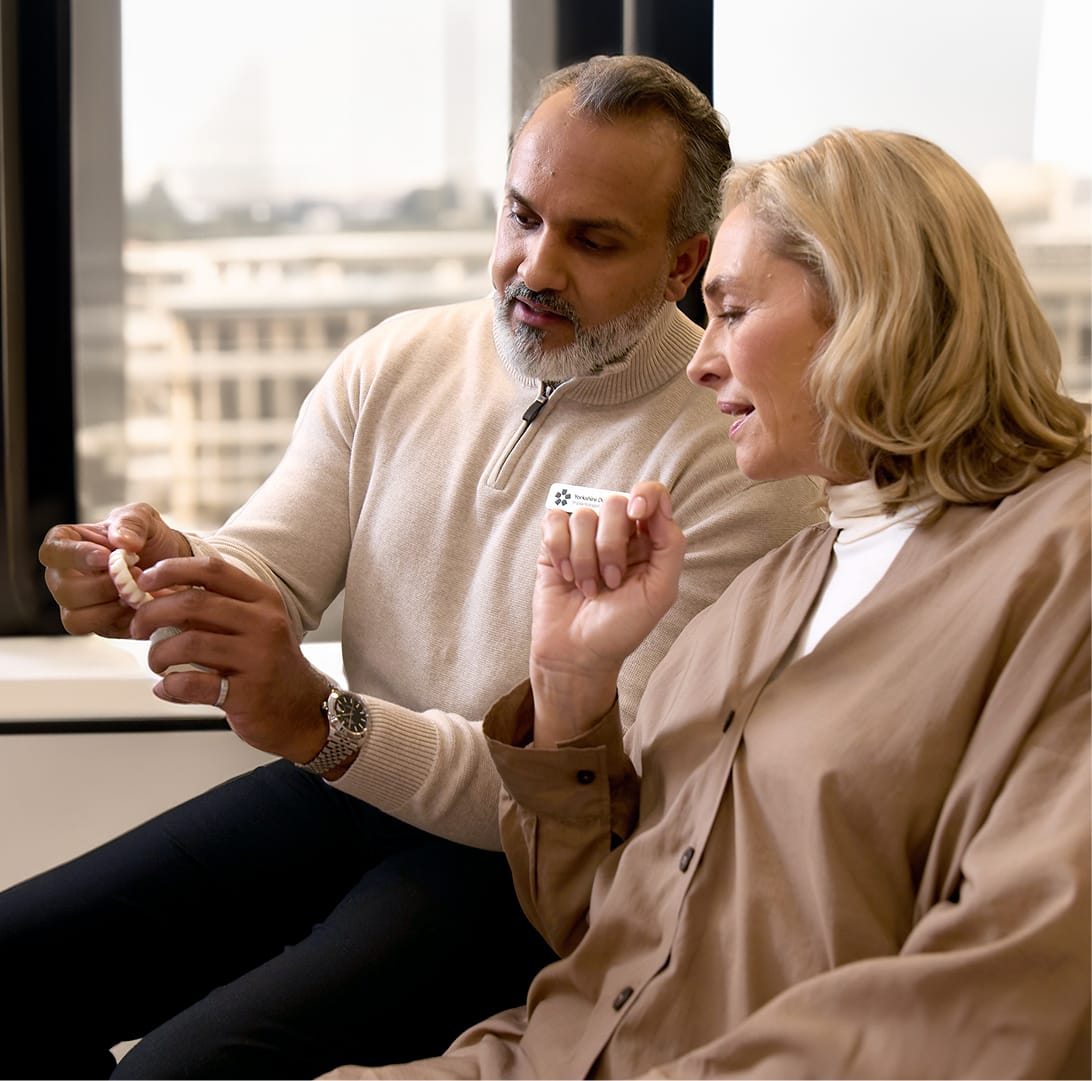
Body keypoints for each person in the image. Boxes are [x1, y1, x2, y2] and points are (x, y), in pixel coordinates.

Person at [2, 56, 822, 1080]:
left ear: (682, 263)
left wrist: (322, 721)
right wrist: (162, 569)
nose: (535, 267)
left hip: (525, 864)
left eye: (593, 240)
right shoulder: (399, 360)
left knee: (177, 1071)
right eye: (521, 215)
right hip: (355, 785)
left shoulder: (734, 456)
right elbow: (268, 562)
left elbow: (598, 801)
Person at [321, 128, 1091, 1080]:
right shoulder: (772, 589)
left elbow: (1008, 996)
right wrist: (570, 686)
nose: (700, 360)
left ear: (869, 310)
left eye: (729, 312)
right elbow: (606, 927)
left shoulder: (1063, 563)